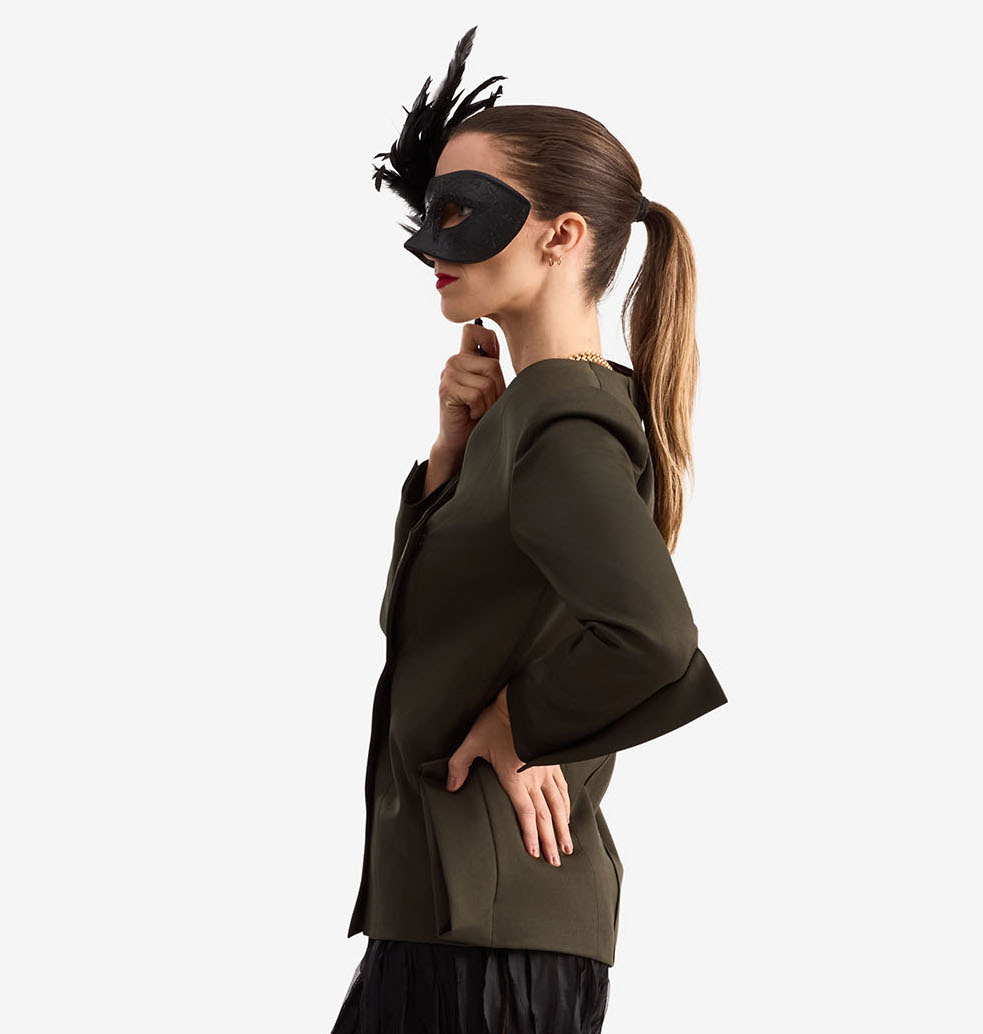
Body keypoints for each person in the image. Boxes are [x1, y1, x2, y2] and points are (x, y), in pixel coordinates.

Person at [330, 26, 728, 1034]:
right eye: (428, 213)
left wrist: (521, 724)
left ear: (560, 236)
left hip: (488, 935)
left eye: (460, 212)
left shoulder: (561, 422)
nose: (428, 244)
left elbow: (650, 638)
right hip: (454, 916)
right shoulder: (531, 417)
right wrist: (451, 455)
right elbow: (435, 631)